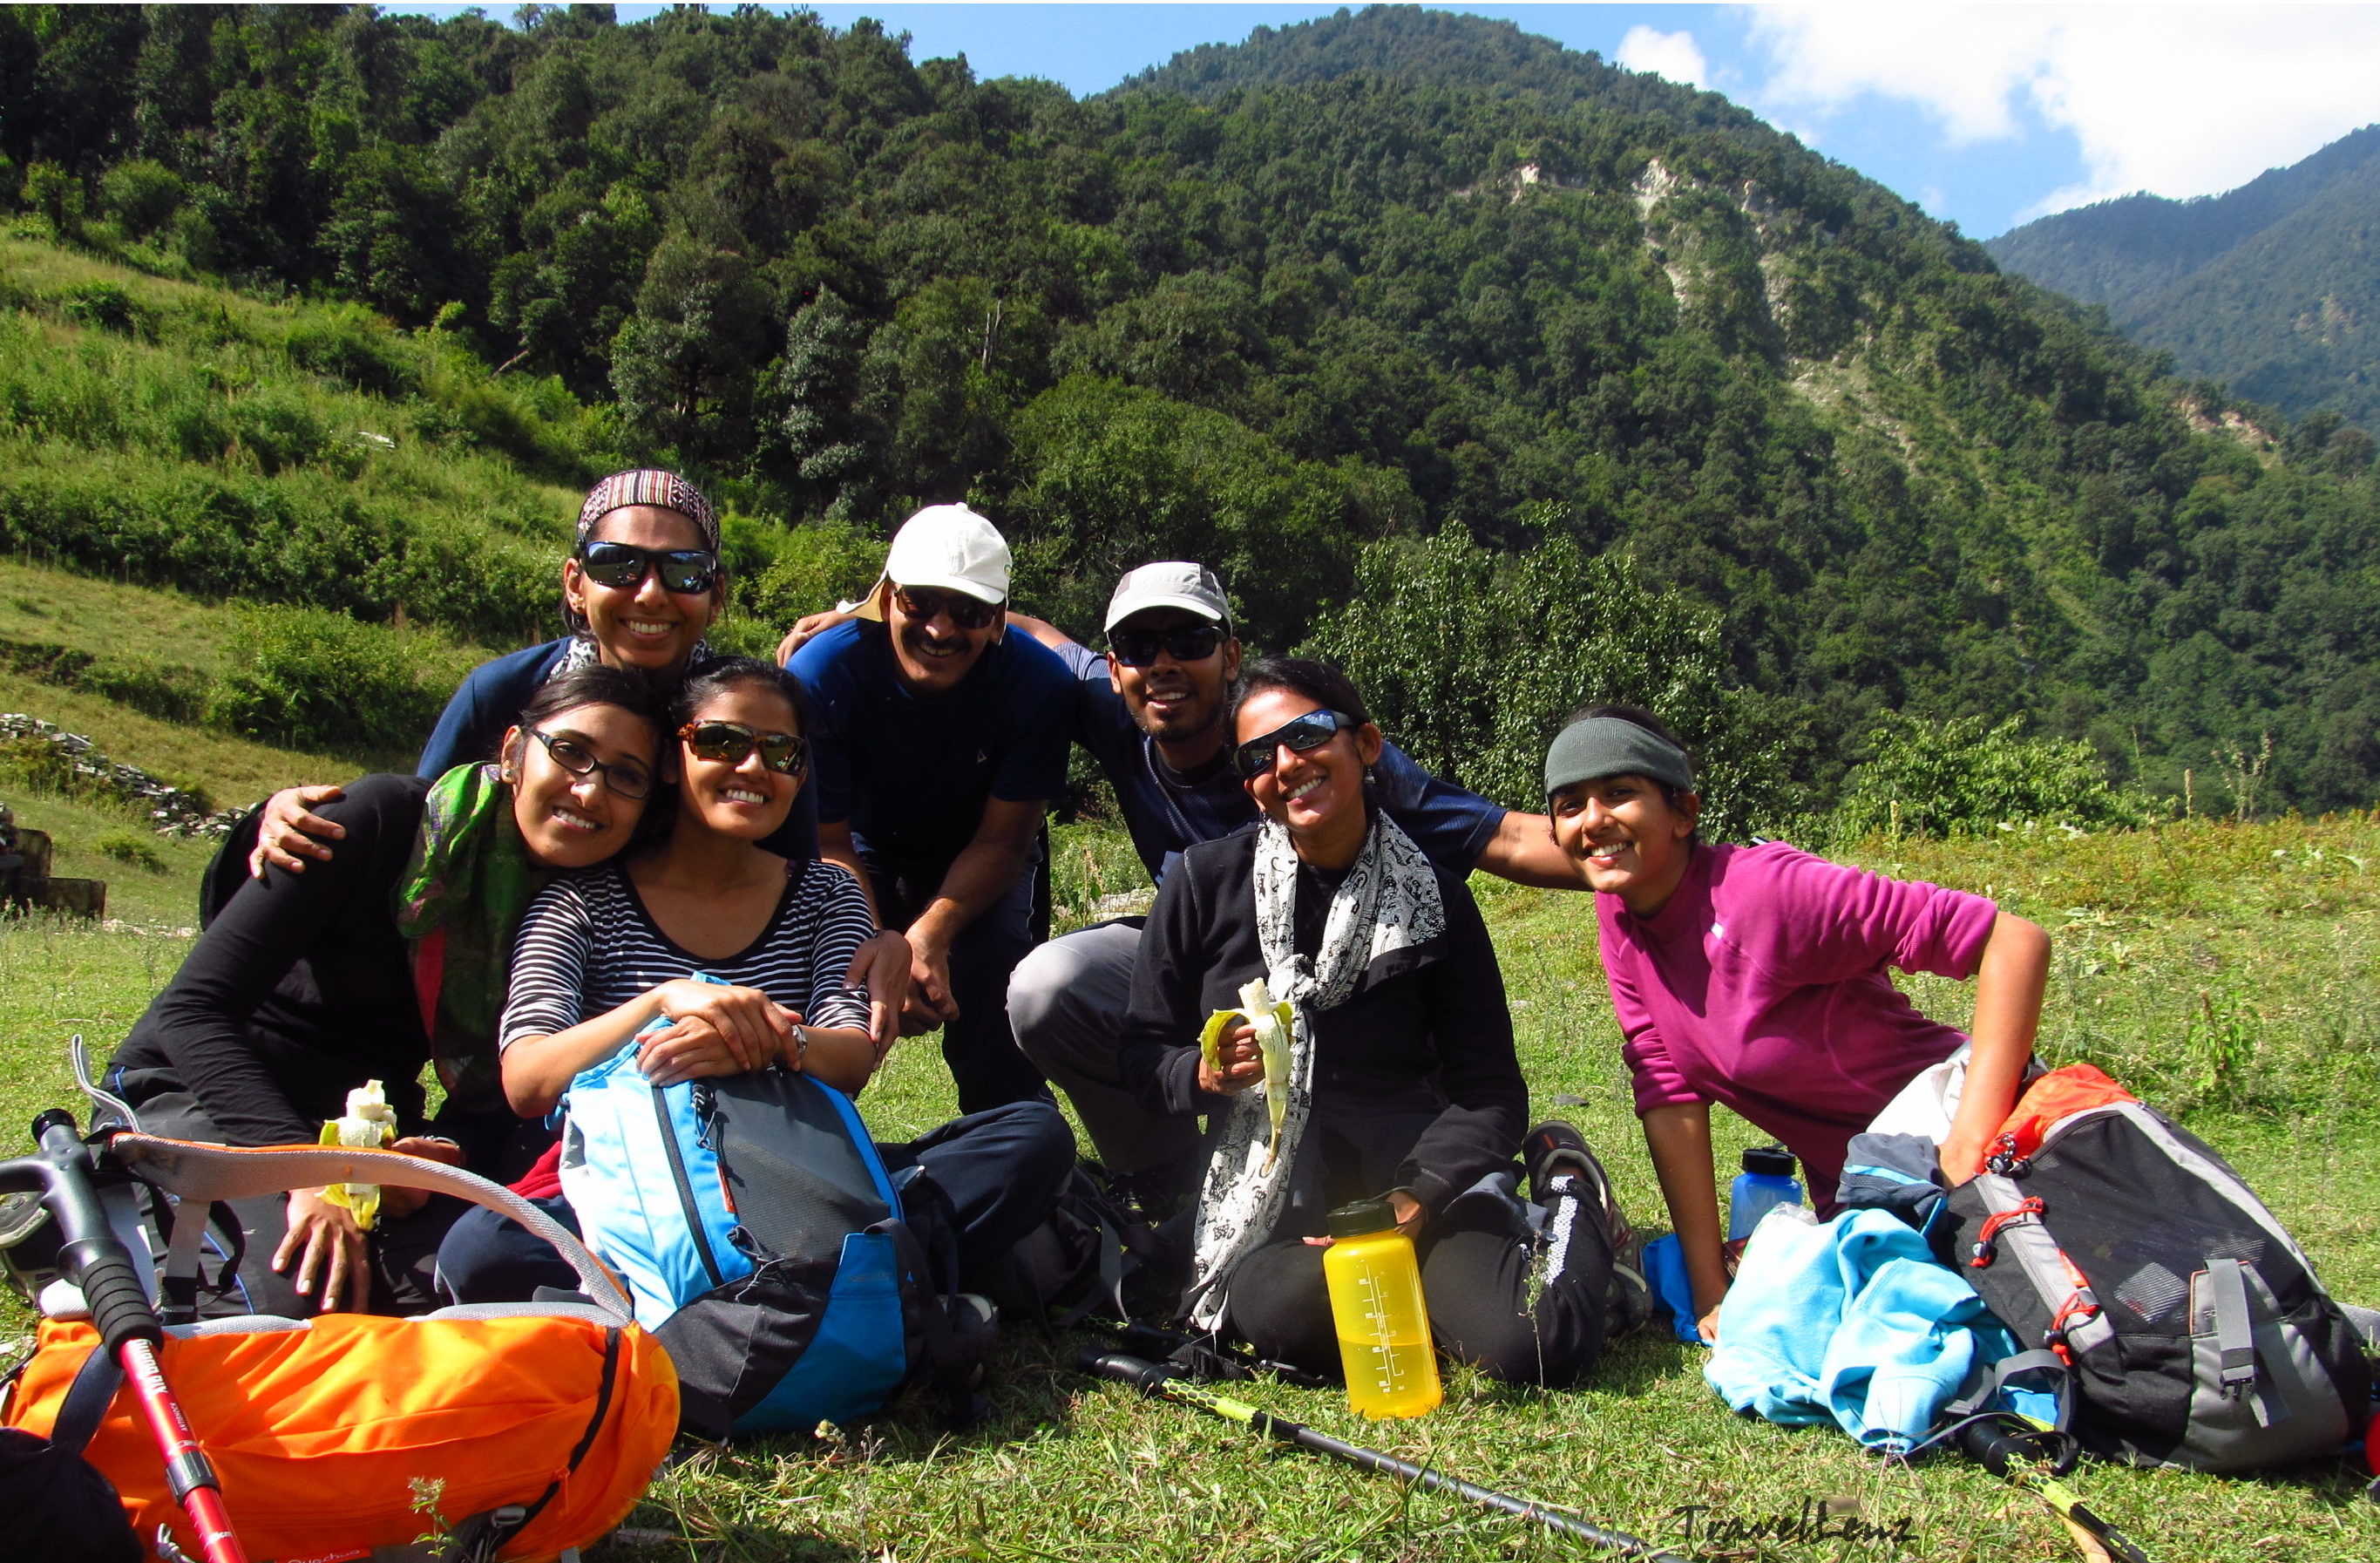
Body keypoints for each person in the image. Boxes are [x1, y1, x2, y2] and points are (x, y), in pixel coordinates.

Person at [437, 658, 1074, 1303]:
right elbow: (526, 1078)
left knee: (1031, 1136)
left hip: (797, 1170)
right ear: (670, 757)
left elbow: (849, 1055)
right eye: (721, 742)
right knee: (481, 1249)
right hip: (636, 1192)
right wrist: (661, 1006)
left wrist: (769, 1043)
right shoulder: (579, 901)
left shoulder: (825, 893)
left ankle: (722, 1292)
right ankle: (856, 1276)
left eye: (780, 752)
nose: (751, 768)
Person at [241, 468, 909, 1043]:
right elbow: (421, 841)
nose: (651, 593)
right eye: (618, 564)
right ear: (574, 582)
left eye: (684, 571)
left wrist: (877, 938)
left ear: (716, 594)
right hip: (520, 997)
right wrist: (285, 814)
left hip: (685, 1015)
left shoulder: (745, 720)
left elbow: (796, 866)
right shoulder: (503, 692)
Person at [1115, 658, 1638, 1386]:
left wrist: (1418, 1195)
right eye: (1260, 756)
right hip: (1280, 1199)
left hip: (1423, 1179)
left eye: (1306, 735)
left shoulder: (1435, 899)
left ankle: (1572, 1189)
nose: (1286, 764)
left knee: (1530, 1345)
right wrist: (1198, 1073)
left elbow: (1488, 1090)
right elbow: (1140, 1053)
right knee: (1278, 1320)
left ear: (1365, 744)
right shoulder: (1203, 883)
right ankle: (1437, 1294)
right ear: (1249, 786)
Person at [992, 562, 1582, 1204]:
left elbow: (1506, 838)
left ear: (1230, 654)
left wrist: (1641, 857)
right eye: (1138, 647)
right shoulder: (1114, 711)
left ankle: (1404, 1140)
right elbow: (1032, 633)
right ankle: (1171, 1181)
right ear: (1115, 668)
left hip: (1337, 972)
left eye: (1188, 642)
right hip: (1212, 958)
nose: (1162, 665)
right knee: (1046, 986)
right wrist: (884, 606)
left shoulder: (1326, 759)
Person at [105, 665, 671, 1317]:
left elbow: (504, 1090)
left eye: (626, 776)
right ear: (515, 752)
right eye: (570, 752)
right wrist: (303, 1169)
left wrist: (439, 1153)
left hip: (365, 1134)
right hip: (209, 1088)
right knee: (286, 1300)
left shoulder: (580, 907)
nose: (590, 790)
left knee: (452, 1285)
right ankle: (81, 1216)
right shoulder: (375, 821)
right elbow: (193, 1011)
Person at [1543, 704, 2050, 1341]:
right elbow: (1668, 1086)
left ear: (1682, 812)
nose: (1593, 819)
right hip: (1875, 1199)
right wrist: (1710, 1295)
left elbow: (2012, 941)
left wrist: (1968, 1144)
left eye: (1619, 792)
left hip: (1980, 1149)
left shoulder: (1765, 893)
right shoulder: (1621, 915)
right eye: (1569, 803)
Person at [786, 506, 1075, 1112]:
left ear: (996, 621)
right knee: (841, 978)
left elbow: (1003, 842)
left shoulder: (1038, 685)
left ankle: (1014, 1143)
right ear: (887, 597)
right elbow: (829, 841)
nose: (941, 630)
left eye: (968, 612)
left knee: (998, 982)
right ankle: (806, 1134)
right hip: (864, 840)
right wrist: (884, 946)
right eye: (920, 603)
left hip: (983, 841)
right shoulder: (824, 672)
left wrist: (930, 933)